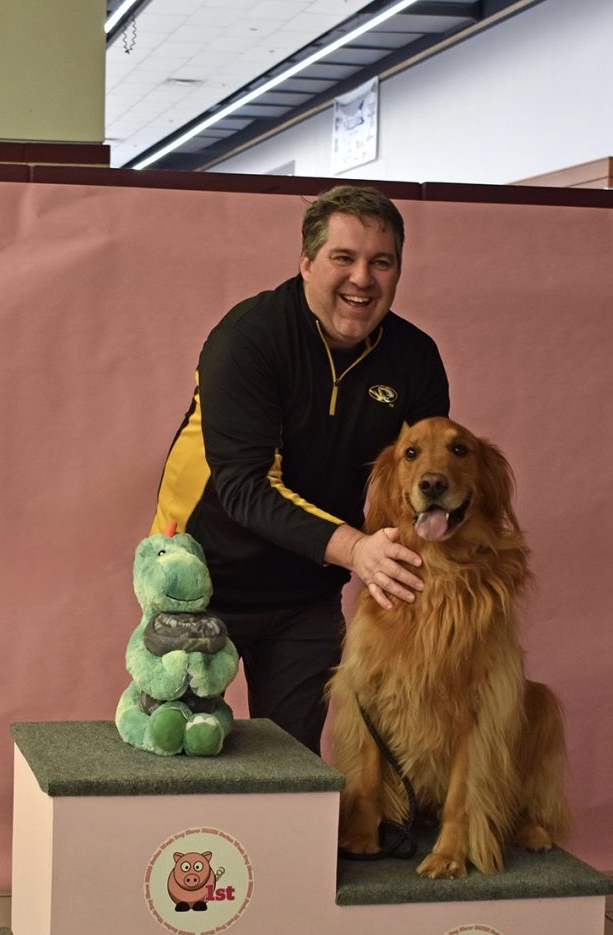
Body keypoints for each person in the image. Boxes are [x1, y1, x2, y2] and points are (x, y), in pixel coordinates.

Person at [150, 185, 449, 754]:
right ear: (307, 261)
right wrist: (360, 551)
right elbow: (245, 486)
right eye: (344, 258)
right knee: (180, 750)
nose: (363, 277)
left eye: (381, 262)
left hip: (307, 591)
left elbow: (420, 484)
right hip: (199, 579)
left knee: (290, 773)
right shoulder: (248, 339)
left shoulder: (415, 358)